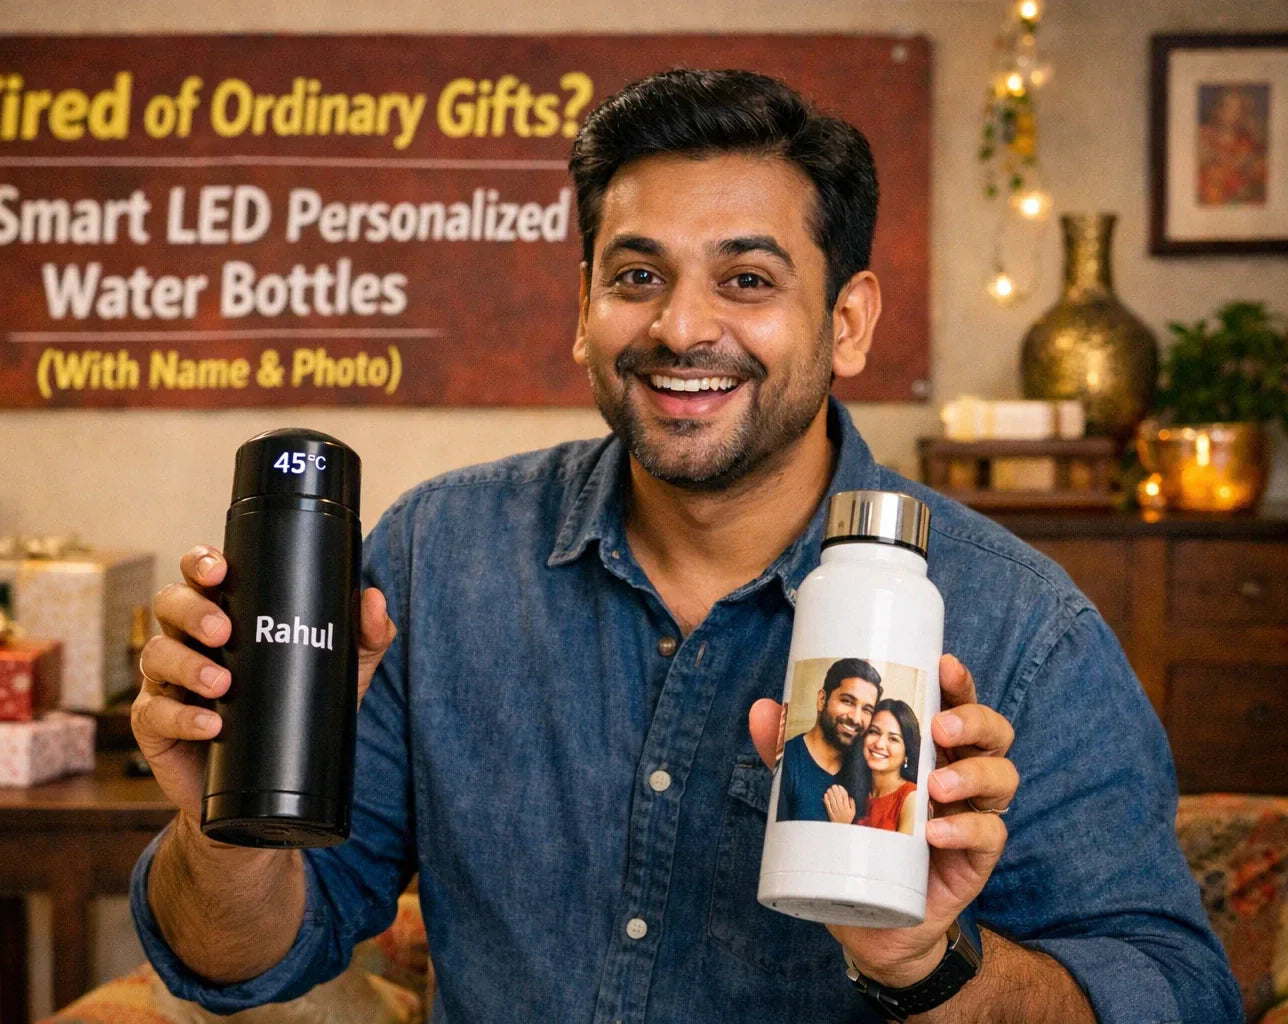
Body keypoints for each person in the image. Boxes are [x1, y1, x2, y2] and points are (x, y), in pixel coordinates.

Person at [129, 69, 1244, 1023]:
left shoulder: (1021, 627)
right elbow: (251, 955)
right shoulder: (437, 557)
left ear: (848, 321)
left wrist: (924, 959)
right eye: (636, 276)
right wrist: (221, 821)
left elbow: (1175, 993)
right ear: (584, 309)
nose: (680, 326)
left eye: (747, 280)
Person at [775, 657, 879, 823]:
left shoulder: (865, 771)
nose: (856, 718)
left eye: (867, 710)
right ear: (822, 700)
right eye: (847, 701)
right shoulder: (787, 762)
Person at [825, 698, 921, 834]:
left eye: (893, 739)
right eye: (874, 732)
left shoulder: (912, 799)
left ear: (907, 752)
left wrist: (843, 827)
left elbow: (901, 849)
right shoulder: (852, 788)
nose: (879, 744)